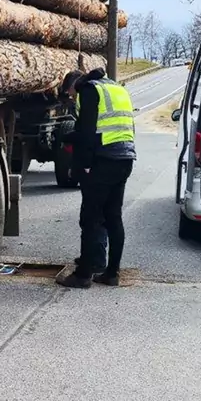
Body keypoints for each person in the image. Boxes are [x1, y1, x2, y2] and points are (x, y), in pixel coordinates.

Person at [56, 67, 136, 289]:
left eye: (70, 94)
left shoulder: (89, 91)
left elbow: (87, 134)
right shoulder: (116, 88)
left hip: (103, 160)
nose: (72, 99)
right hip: (125, 156)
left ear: (74, 85)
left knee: (90, 218)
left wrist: (83, 165)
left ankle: (83, 276)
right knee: (113, 217)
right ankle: (112, 274)